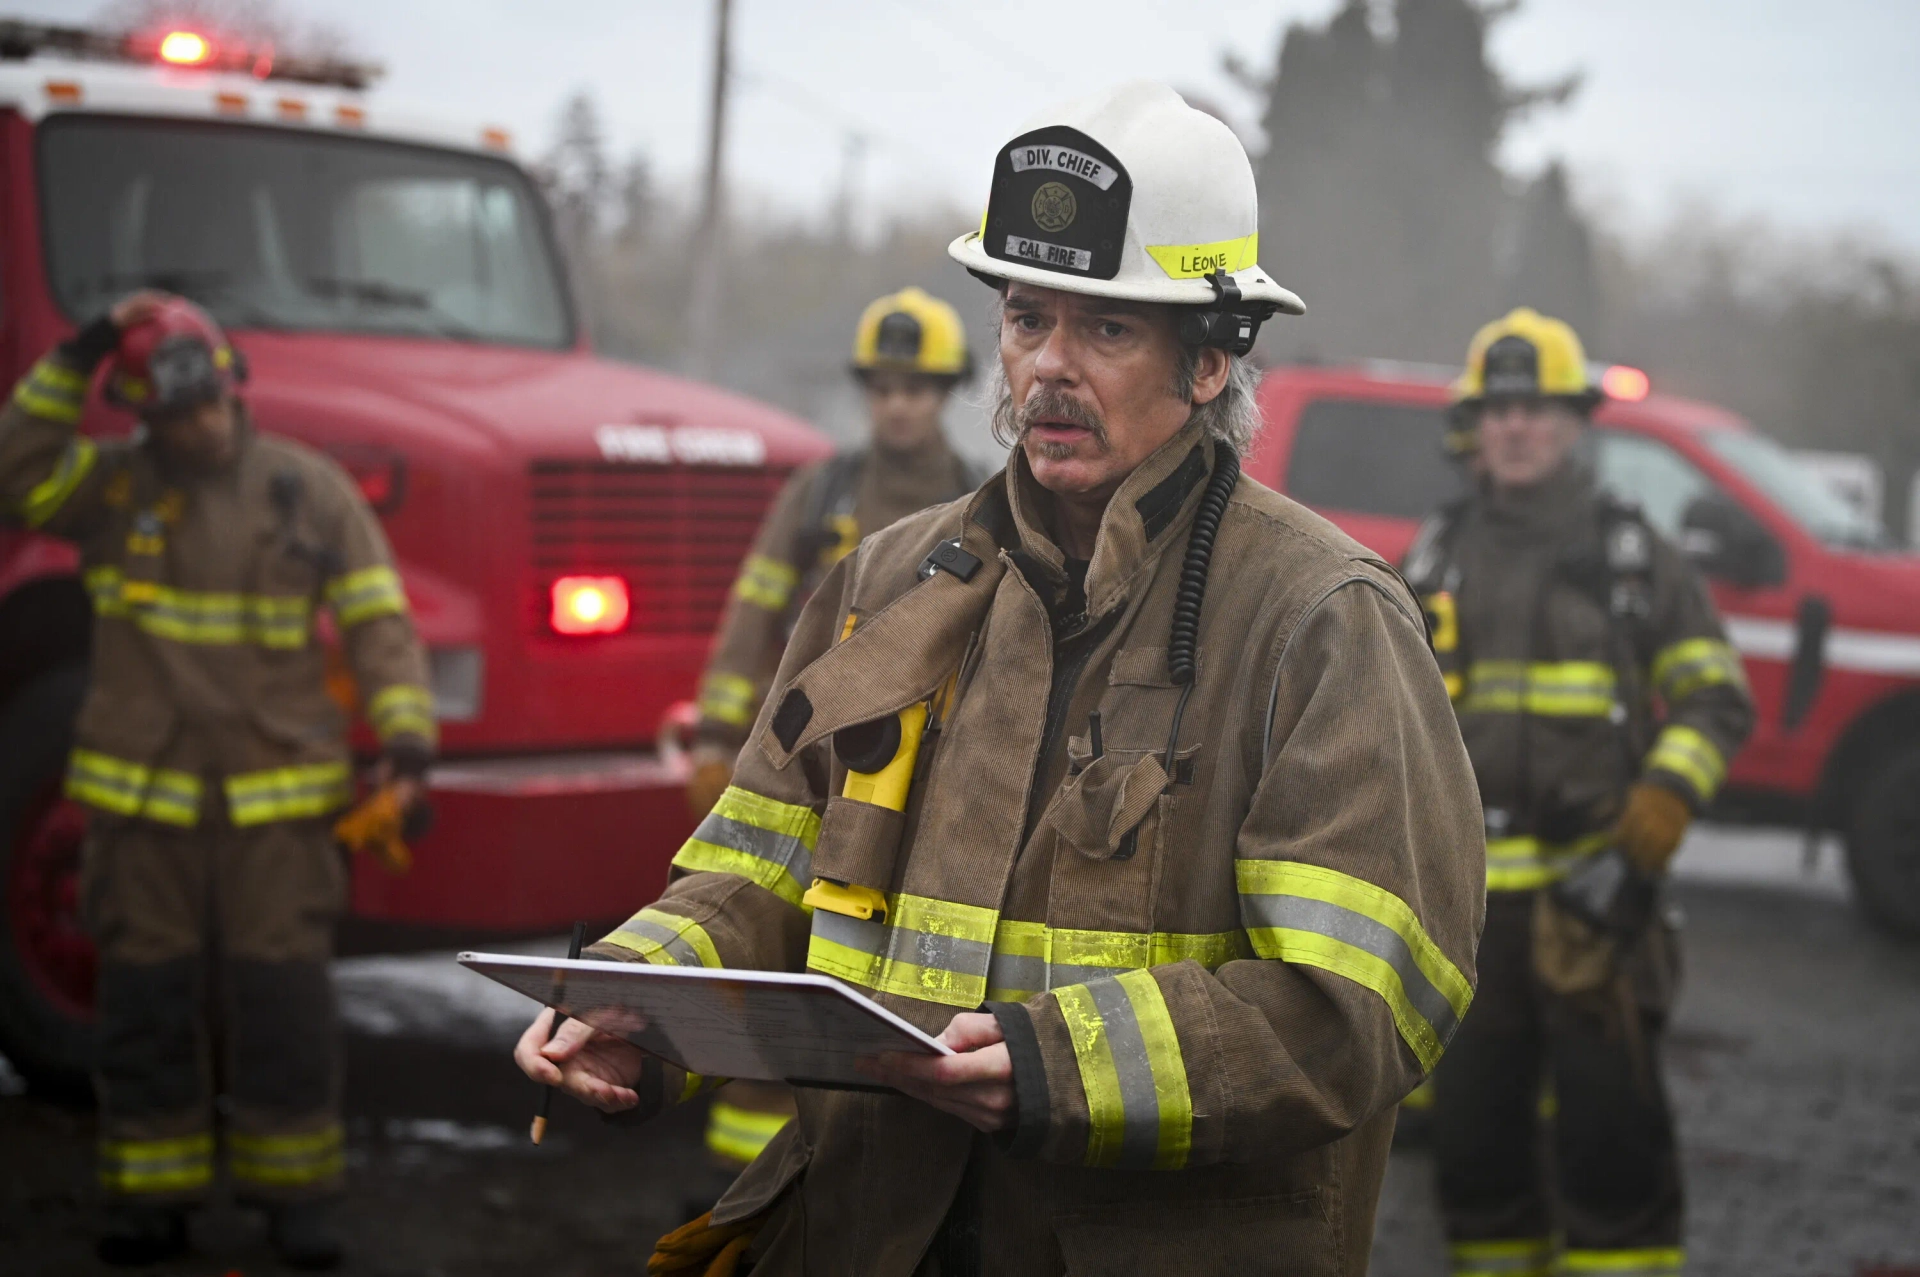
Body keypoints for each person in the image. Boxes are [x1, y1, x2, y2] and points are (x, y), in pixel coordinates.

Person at [518, 81, 1485, 1276]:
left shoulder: (1322, 619)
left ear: (1209, 361)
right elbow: (757, 864)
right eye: (1028, 320)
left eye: (1107, 330)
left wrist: (1054, 1061)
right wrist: (637, 998)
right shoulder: (889, 580)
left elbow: (1368, 1002)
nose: (1047, 370)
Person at [0, 293, 435, 1269]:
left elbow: (379, 623)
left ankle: (297, 1200)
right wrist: (74, 357)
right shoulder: (113, 489)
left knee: (283, 1005)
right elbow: (11, 474)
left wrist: (406, 745)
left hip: (275, 810)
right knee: (144, 1004)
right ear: (144, 415)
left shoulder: (307, 490)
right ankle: (150, 1199)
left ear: (233, 388)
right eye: (170, 416)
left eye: (204, 407)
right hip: (140, 808)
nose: (194, 430)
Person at [1403, 308, 1755, 1277]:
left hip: (1598, 901)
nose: (1516, 426)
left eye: (1538, 408)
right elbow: (1388, 723)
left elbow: (1716, 697)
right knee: (1476, 1158)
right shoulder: (1435, 559)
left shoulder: (1637, 560)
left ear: (1576, 423)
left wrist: (1657, 815)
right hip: (1469, 918)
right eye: (1499, 409)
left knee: (1612, 1149)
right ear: (1475, 424)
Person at [684, 287, 980, 1182]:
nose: (900, 403)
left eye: (919, 388)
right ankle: (747, 1178)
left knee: (884, 971)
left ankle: (866, 1158)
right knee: (776, 951)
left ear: (946, 393)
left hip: (922, 777)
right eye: (885, 385)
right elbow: (754, 613)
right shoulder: (822, 492)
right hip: (810, 769)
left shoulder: (980, 501)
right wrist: (713, 735)